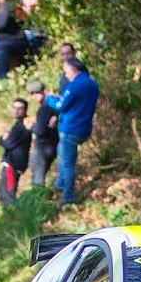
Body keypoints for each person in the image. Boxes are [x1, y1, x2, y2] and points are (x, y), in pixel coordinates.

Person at [43, 58, 99, 204]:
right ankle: (59, 184)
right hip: (83, 128)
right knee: (63, 156)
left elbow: (60, 104)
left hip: (70, 128)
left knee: (67, 163)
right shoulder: (93, 84)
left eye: (66, 72)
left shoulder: (75, 85)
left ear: (74, 70)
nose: (66, 76)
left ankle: (67, 196)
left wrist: (49, 98)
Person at [0, 0, 34, 80]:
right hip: (20, 40)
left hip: (9, 42)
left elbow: (3, 22)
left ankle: (2, 80)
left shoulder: (7, 6)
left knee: (0, 53)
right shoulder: (12, 6)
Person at [0, 98, 31, 207]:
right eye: (14, 108)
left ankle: (12, 213)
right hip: (13, 163)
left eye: (19, 108)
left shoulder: (22, 126)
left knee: (7, 195)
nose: (16, 111)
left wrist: (2, 139)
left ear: (25, 110)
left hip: (12, 165)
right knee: (3, 193)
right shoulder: (20, 124)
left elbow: (8, 143)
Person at [26, 80, 58, 189]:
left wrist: (31, 127)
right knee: (40, 176)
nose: (34, 96)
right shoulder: (55, 105)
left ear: (44, 91)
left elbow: (41, 131)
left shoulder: (44, 107)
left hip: (42, 148)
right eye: (32, 94)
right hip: (53, 146)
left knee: (37, 179)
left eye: (37, 93)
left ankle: (38, 197)